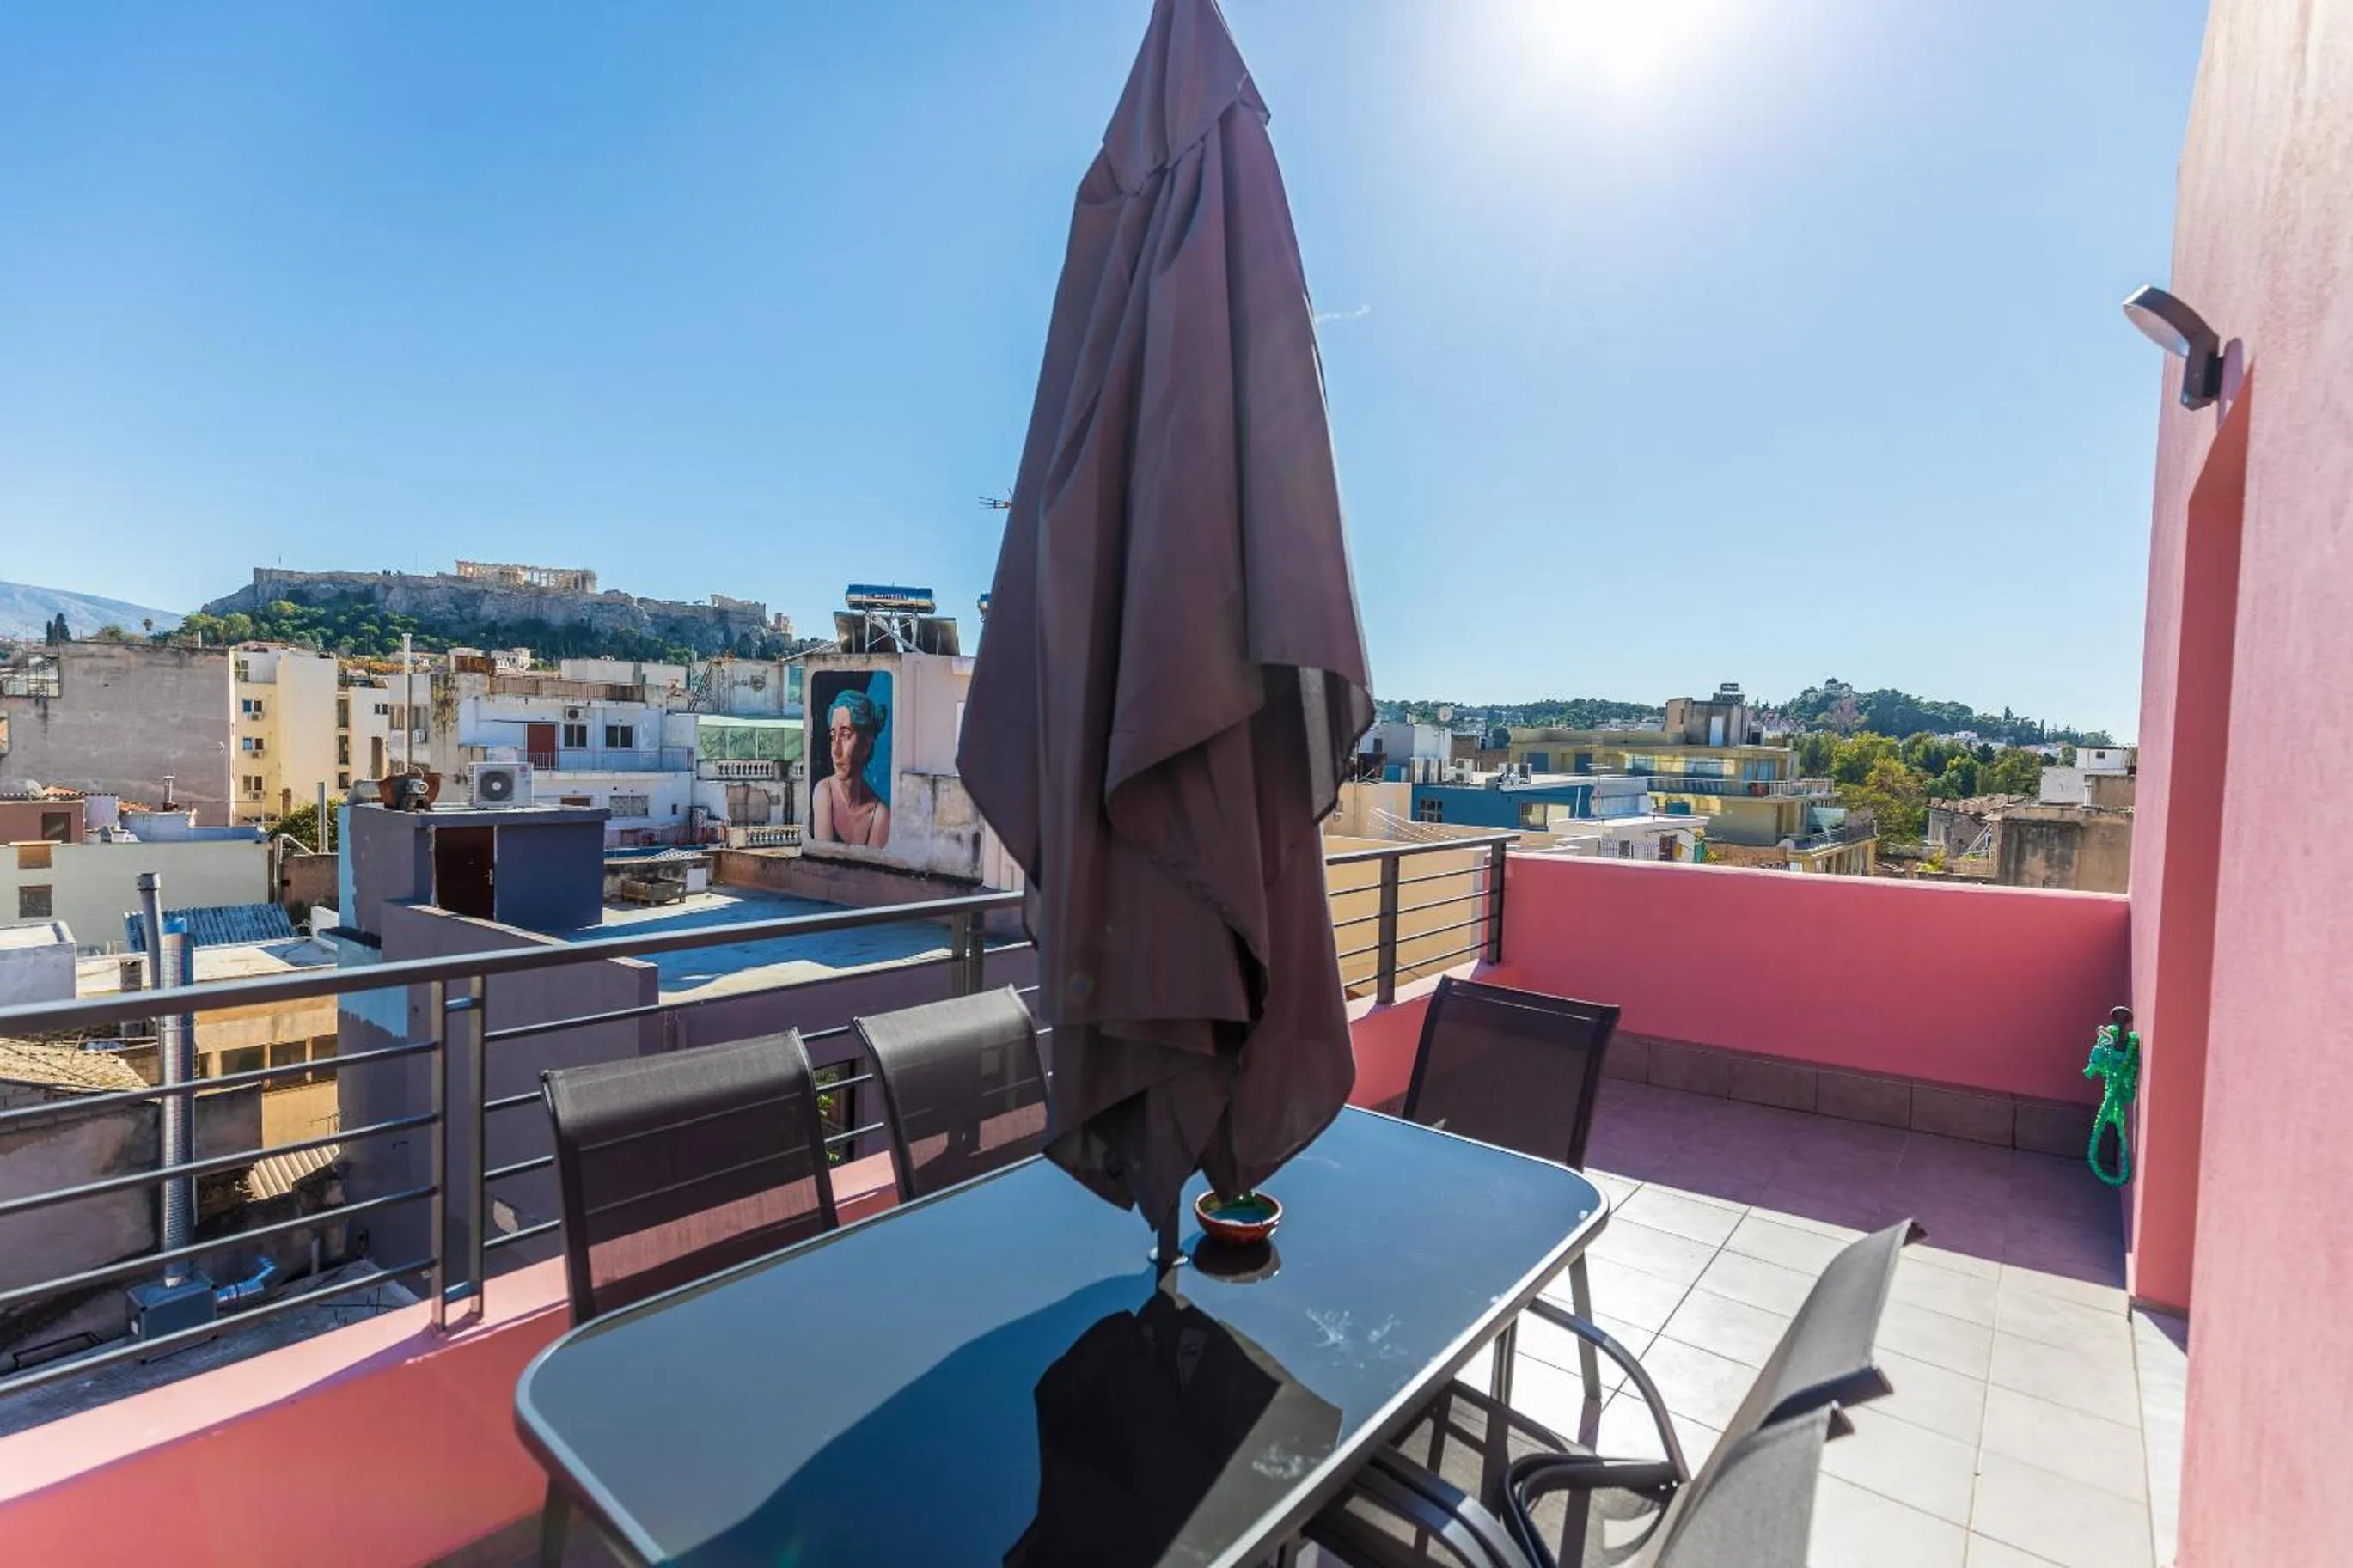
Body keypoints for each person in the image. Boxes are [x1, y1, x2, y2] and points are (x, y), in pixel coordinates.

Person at [812, 686, 891, 847]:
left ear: (866, 745)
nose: (836, 750)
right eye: (833, 736)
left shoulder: (880, 816)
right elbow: (825, 862)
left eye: (846, 735)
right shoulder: (824, 791)